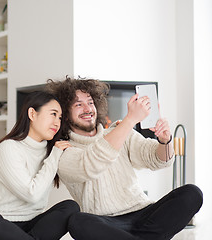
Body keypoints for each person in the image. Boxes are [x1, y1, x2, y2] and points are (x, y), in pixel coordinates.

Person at [46, 77, 203, 240]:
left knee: (192, 193)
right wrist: (130, 120)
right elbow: (92, 163)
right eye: (78, 104)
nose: (87, 109)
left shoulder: (119, 131)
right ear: (64, 115)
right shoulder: (63, 150)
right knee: (78, 221)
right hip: (107, 224)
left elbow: (158, 160)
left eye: (90, 102)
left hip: (144, 214)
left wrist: (165, 141)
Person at [0, 91, 80, 240]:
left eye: (60, 117)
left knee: (70, 207)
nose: (57, 122)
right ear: (32, 114)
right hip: (2, 225)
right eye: (53, 114)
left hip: (33, 226)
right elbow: (32, 194)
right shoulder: (8, 148)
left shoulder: (51, 150)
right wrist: (54, 155)